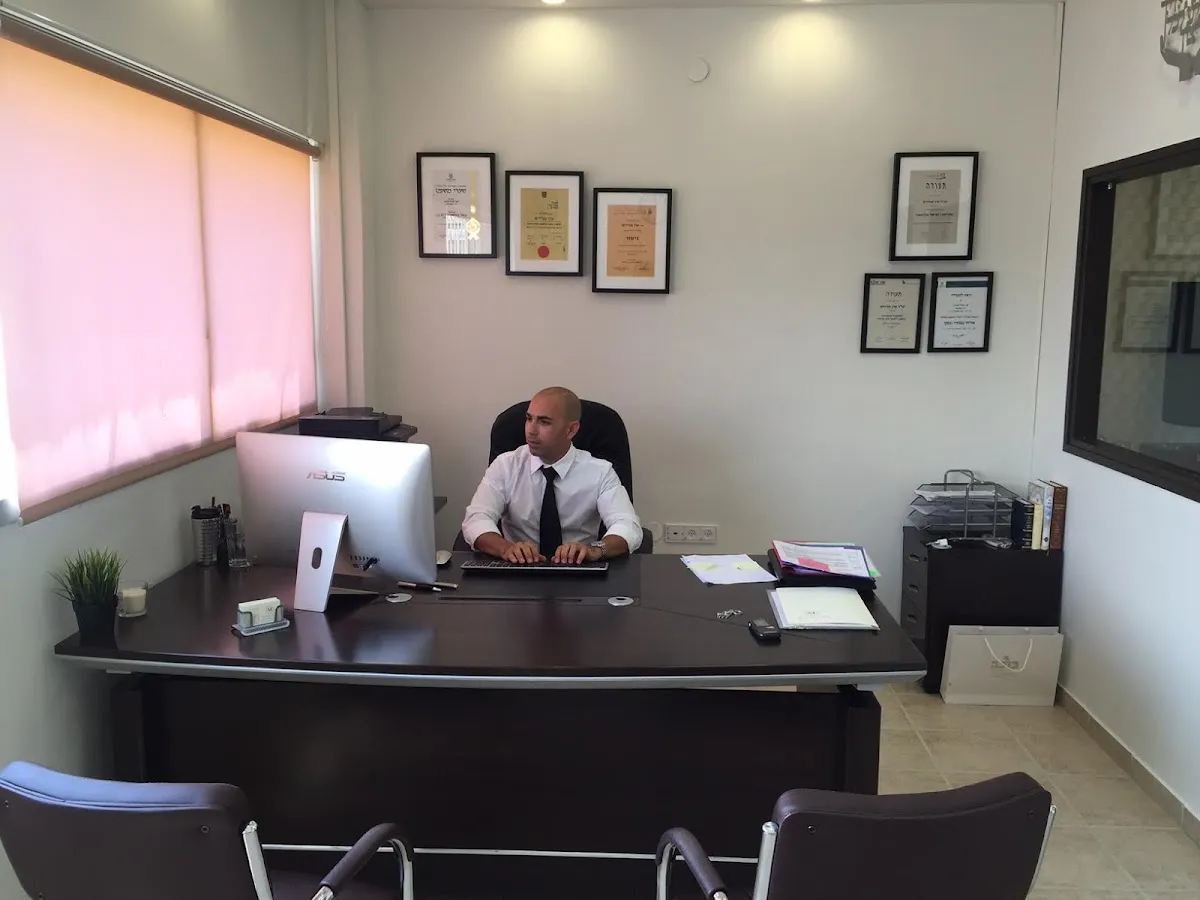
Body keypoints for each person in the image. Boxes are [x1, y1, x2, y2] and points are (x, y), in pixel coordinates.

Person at [461, 387, 642, 564]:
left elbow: (627, 525)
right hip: (518, 568)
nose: (531, 430)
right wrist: (506, 548)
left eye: (544, 422)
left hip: (578, 569)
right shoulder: (505, 466)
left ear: (571, 430)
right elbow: (476, 519)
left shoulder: (600, 471)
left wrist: (595, 550)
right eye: (529, 419)